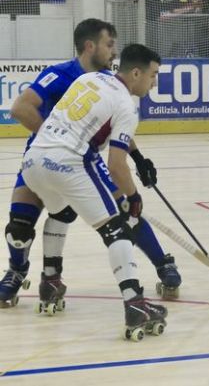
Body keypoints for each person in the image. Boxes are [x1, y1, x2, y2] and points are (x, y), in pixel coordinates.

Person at [0, 19, 181, 309]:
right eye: (109, 45)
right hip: (57, 154)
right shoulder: (61, 75)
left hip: (73, 158)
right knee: (20, 228)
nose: (113, 52)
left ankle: (162, 263)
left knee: (111, 211)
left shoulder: (101, 79)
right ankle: (17, 271)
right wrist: (59, 139)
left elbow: (114, 124)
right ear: (90, 45)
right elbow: (21, 108)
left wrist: (138, 157)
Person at [21, 44, 167, 339]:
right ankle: (135, 303)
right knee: (117, 229)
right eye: (152, 75)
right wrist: (134, 197)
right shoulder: (126, 105)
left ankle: (50, 283)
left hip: (33, 160)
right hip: (69, 161)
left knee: (60, 213)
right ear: (136, 73)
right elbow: (115, 165)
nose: (154, 83)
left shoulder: (87, 79)